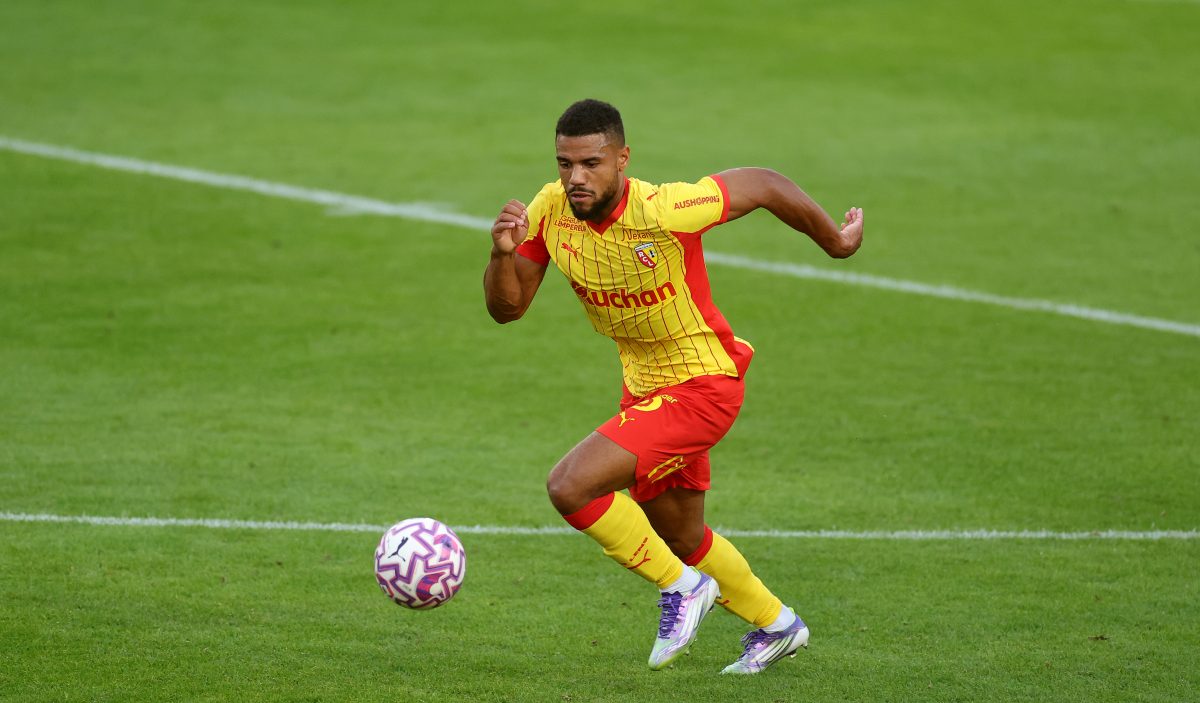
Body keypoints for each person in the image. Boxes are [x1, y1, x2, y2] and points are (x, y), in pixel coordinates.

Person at [483, 99, 863, 675]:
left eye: (591, 163)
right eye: (565, 163)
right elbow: (507, 309)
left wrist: (836, 242)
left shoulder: (664, 209)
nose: (575, 177)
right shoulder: (549, 211)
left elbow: (762, 184)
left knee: (569, 486)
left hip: (703, 386)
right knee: (681, 535)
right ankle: (778, 625)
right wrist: (501, 255)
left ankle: (682, 589)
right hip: (646, 392)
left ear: (622, 159)